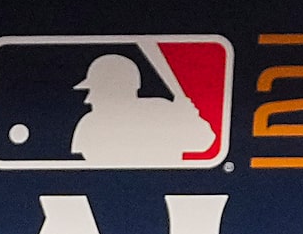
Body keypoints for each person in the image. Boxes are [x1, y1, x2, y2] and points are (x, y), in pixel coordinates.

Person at [68, 52, 212, 167]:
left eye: (97, 90)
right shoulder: (90, 124)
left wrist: (189, 120)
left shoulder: (162, 112)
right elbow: (88, 164)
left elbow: (203, 142)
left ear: (120, 89)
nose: (89, 99)